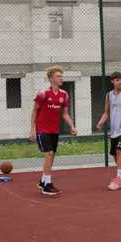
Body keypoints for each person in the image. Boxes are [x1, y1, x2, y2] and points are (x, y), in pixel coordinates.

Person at [29, 65, 78, 196]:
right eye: (58, 76)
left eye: (61, 76)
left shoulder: (64, 95)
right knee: (49, 153)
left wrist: (72, 126)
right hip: (42, 128)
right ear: (51, 79)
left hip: (54, 130)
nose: (61, 78)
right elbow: (34, 110)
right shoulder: (42, 94)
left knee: (51, 156)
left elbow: (65, 114)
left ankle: (43, 181)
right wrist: (32, 129)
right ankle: (47, 185)